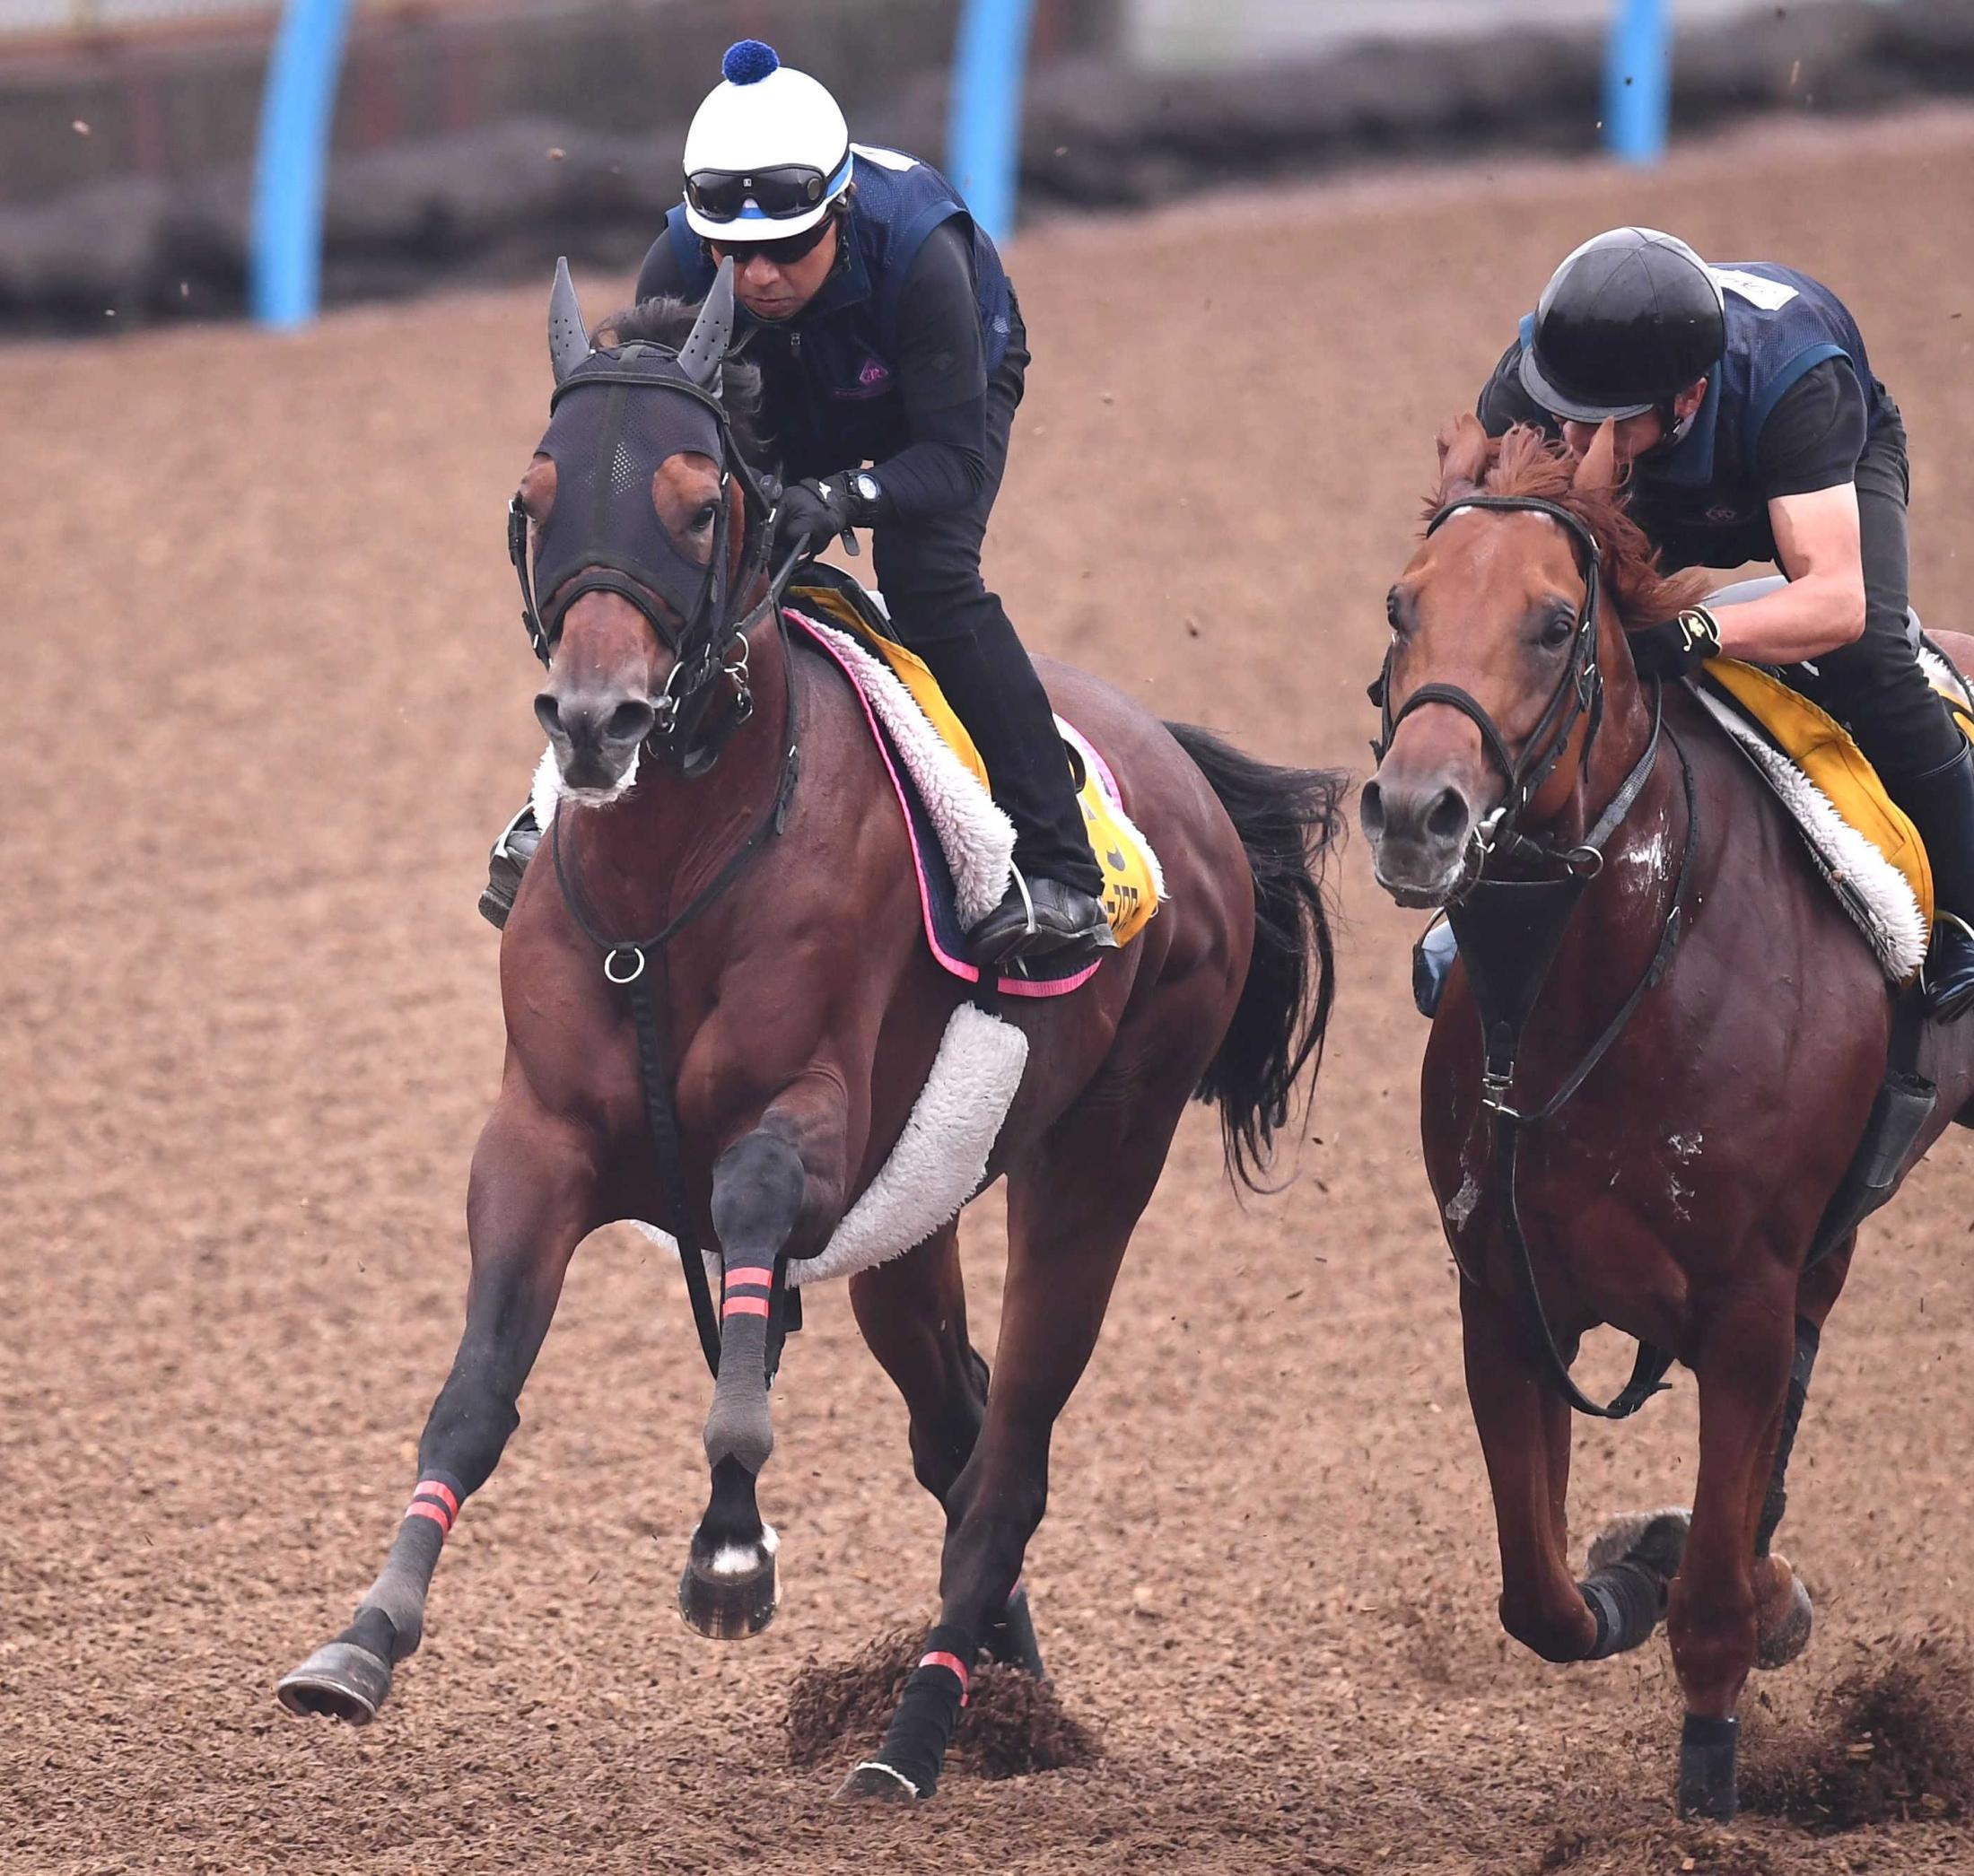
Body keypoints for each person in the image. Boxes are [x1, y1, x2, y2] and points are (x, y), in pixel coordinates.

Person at [481, 39, 1111, 966]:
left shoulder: (924, 256)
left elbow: (950, 465)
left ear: (840, 212)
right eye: (731, 255)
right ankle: (560, 800)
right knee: (692, 576)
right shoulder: (679, 266)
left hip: (927, 397)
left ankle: (1063, 866)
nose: (758, 278)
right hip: (776, 384)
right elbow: (658, 455)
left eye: (785, 249)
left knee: (929, 577)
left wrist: (844, 495)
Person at [1465, 224, 1974, 1018]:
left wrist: (1697, 631)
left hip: (1802, 469)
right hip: (1654, 486)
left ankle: (1966, 915)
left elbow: (1837, 601)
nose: (1573, 439)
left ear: (1690, 396)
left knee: (1871, 658)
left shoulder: (1796, 379)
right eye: (1567, 414)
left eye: (1608, 420)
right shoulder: (1537, 385)